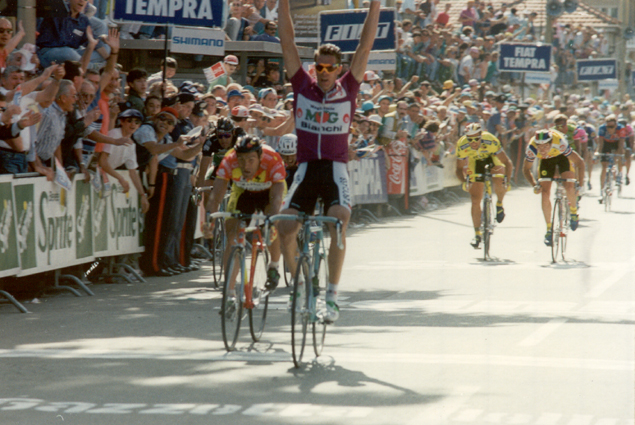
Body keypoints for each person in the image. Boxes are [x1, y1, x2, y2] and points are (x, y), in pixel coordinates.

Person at [276, 0, 380, 322]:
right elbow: (287, 40)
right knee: (284, 226)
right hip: (307, 168)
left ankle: (332, 297)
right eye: (318, 67)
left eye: (329, 68)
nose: (323, 73)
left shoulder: (349, 86)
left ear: (338, 69)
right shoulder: (301, 85)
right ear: (313, 68)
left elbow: (365, 45)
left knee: (338, 220)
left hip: (334, 169)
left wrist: (375, 4)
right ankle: (298, 285)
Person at [206, 136, 286, 305]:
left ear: (259, 157)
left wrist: (270, 220)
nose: (245, 165)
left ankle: (274, 265)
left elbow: (277, 198)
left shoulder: (272, 159)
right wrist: (209, 220)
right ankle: (229, 290)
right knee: (232, 235)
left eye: (250, 159)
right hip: (243, 192)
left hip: (269, 192)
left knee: (272, 227)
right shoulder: (228, 160)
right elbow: (215, 197)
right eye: (241, 160)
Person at [522, 129, 585, 246]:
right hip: (546, 162)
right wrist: (534, 185)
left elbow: (580, 163)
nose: (542, 150)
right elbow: (526, 169)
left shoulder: (560, 143)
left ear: (551, 143)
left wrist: (580, 185)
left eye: (546, 146)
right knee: (544, 193)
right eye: (540, 147)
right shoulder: (532, 148)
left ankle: (573, 212)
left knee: (569, 186)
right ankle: (549, 229)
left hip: (562, 158)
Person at [455, 123, 513, 249]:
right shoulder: (462, 144)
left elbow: (507, 163)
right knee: (475, 200)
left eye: (476, 138)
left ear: (481, 135)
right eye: (470, 139)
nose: (473, 142)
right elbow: (459, 169)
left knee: (499, 180)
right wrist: (465, 182)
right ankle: (477, 234)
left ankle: (499, 204)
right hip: (475, 163)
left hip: (493, 160)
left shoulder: (491, 140)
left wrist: (507, 181)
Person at [97, 108, 150, 213]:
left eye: (137, 122)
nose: (133, 124)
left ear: (139, 125)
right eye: (129, 120)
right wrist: (120, 178)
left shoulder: (131, 145)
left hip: (103, 179)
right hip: (94, 174)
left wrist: (143, 195)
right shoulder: (114, 134)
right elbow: (102, 162)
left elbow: (133, 173)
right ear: (121, 122)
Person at [595, 114, 625, 194]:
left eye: (612, 127)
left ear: (615, 125)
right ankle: (601, 190)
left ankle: (619, 173)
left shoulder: (621, 128)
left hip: (616, 143)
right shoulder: (602, 128)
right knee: (604, 167)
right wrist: (598, 153)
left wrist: (620, 156)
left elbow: (621, 144)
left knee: (617, 156)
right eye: (608, 127)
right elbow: (600, 143)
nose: (609, 129)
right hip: (606, 143)